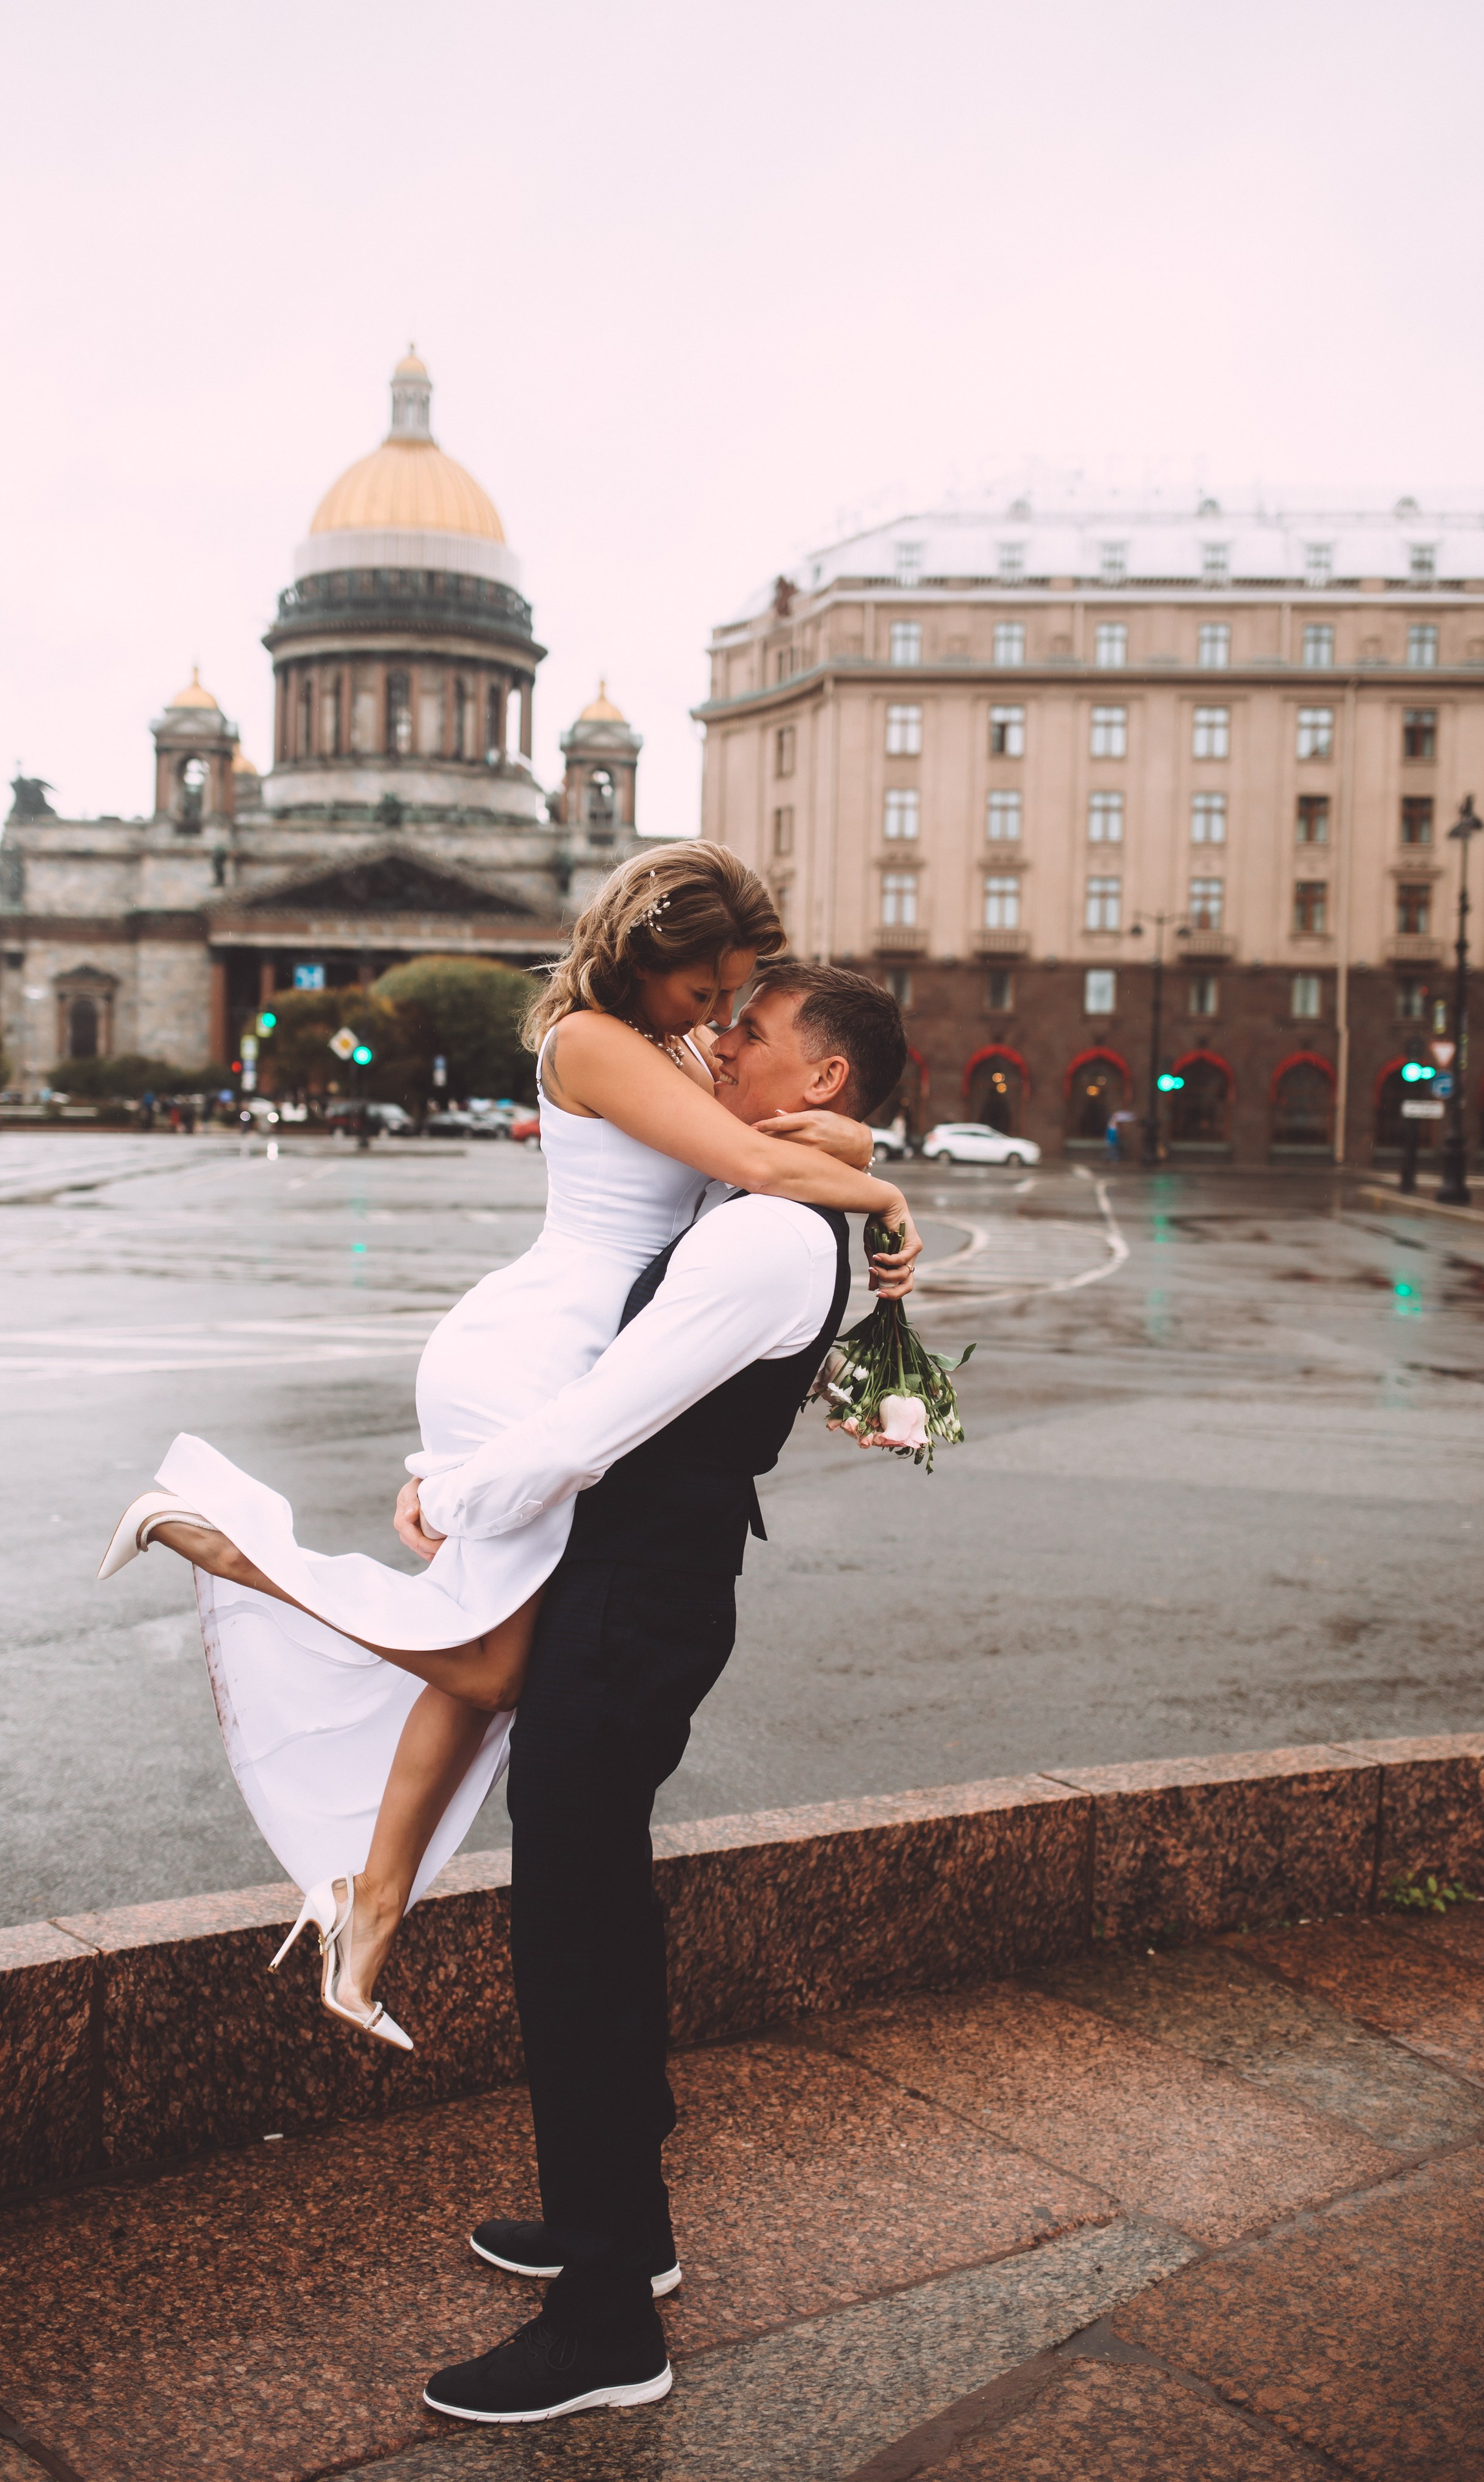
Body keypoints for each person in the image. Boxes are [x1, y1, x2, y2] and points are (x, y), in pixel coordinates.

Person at [96, 847, 918, 2050]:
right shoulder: (591, 1041)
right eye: (709, 994)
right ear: (650, 957)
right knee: (489, 1667)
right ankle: (230, 1549)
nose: (721, 1023)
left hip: (585, 1356)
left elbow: (811, 1136)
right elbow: (757, 1160)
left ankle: (366, 1914)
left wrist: (867, 1168)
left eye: (739, 1004)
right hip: (538, 1357)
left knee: (485, 1657)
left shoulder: (678, 1050)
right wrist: (891, 1199)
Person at [410, 960, 909, 2423]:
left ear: (815, 1078)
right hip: (644, 1590)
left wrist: (451, 1491)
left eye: (747, 1035)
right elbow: (843, 1161)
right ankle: (616, 2223)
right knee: (596, 1907)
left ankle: (608, 2316)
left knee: (572, 1931)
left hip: (634, 1598)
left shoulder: (761, 1239)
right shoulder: (774, 1199)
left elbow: (599, 1421)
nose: (714, 1043)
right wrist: (880, 1193)